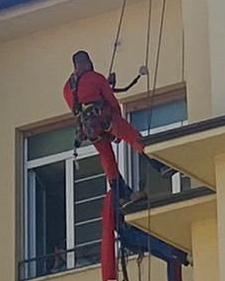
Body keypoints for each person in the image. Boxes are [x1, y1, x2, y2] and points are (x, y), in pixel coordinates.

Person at [63, 50, 174, 202]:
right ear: (87, 62)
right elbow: (111, 101)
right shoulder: (95, 77)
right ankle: (161, 166)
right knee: (133, 137)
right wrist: (117, 123)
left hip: (89, 129)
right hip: (106, 119)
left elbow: (80, 104)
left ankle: (122, 195)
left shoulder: (67, 88)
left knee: (107, 157)